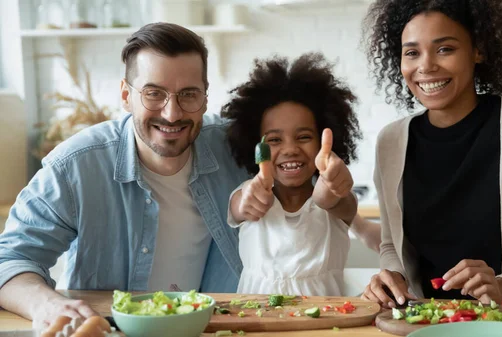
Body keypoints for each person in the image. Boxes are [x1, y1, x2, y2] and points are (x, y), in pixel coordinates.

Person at [0, 23, 249, 328]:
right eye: (153, 94)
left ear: (206, 98)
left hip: (212, 328)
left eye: (188, 94)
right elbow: (10, 259)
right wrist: (49, 305)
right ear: (125, 95)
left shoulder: (236, 147)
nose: (172, 113)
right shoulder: (75, 167)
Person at [360, 0, 502, 308]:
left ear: (478, 50)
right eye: (412, 52)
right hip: (427, 324)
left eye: (445, 49)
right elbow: (392, 244)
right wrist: (393, 277)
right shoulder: (391, 142)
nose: (426, 66)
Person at [222, 53, 362, 296]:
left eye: (304, 137)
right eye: (274, 140)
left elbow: (331, 200)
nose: (290, 149)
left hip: (326, 324)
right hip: (258, 322)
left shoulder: (336, 199)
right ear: (252, 145)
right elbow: (242, 205)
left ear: (323, 141)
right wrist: (249, 198)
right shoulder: (246, 193)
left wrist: (332, 184)